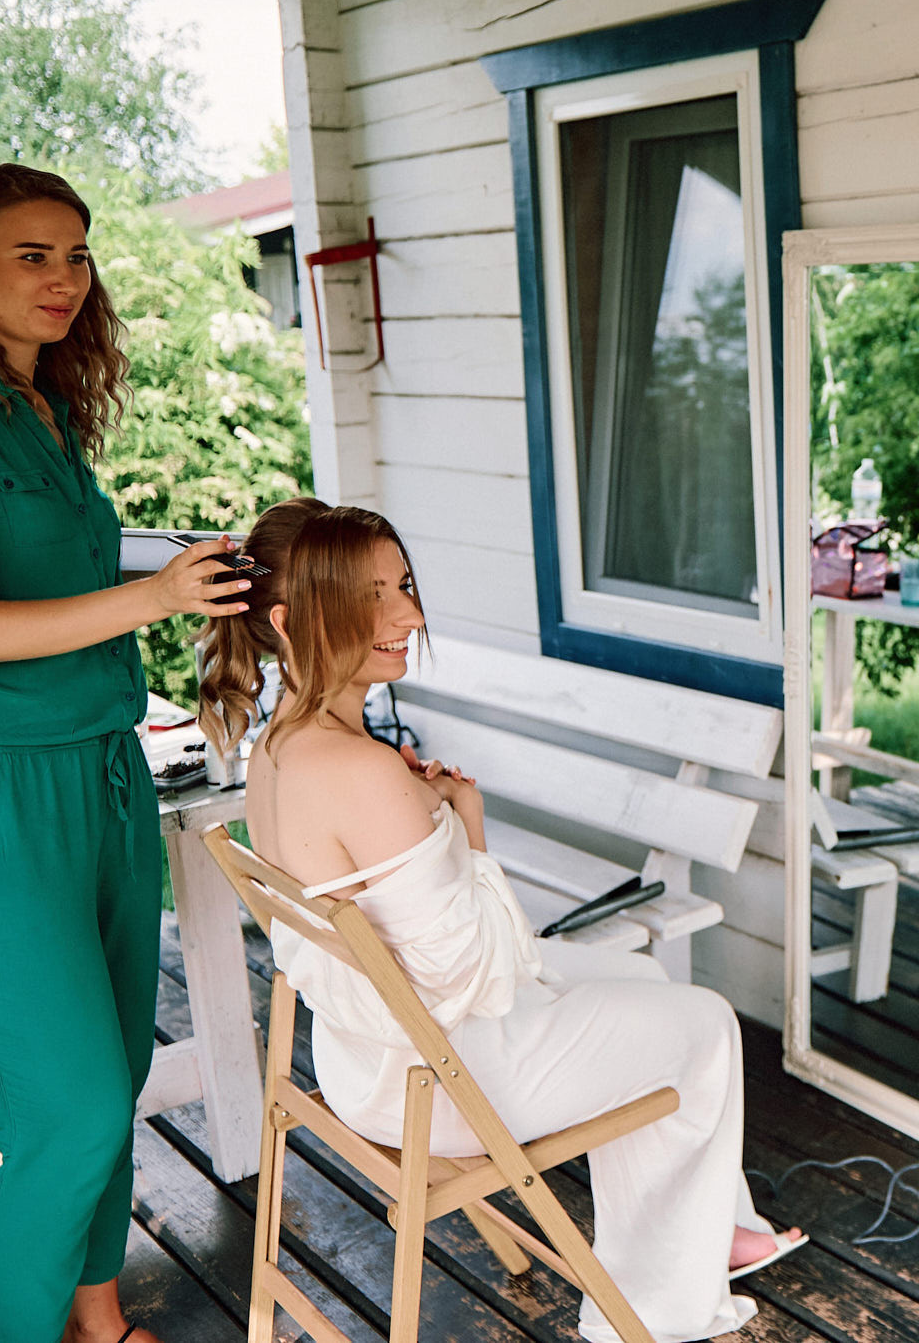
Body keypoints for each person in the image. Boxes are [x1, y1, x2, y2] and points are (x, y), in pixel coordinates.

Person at [197, 500, 804, 1343]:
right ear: (292, 622)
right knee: (705, 1024)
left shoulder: (275, 749)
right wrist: (467, 822)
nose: (406, 614)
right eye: (370, 596)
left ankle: (705, 1232)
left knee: (643, 977)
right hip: (444, 1077)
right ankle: (660, 1311)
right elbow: (476, 972)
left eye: (402, 585)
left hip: (364, 1060)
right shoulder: (365, 770)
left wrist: (425, 811)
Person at [0, 163, 253, 1343]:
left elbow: (63, 576)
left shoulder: (44, 407)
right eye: (30, 254)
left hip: (104, 768)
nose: (64, 278)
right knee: (67, 1113)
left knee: (113, 1079)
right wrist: (153, 600)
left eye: (76, 254)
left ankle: (98, 1319)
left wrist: (192, 574)